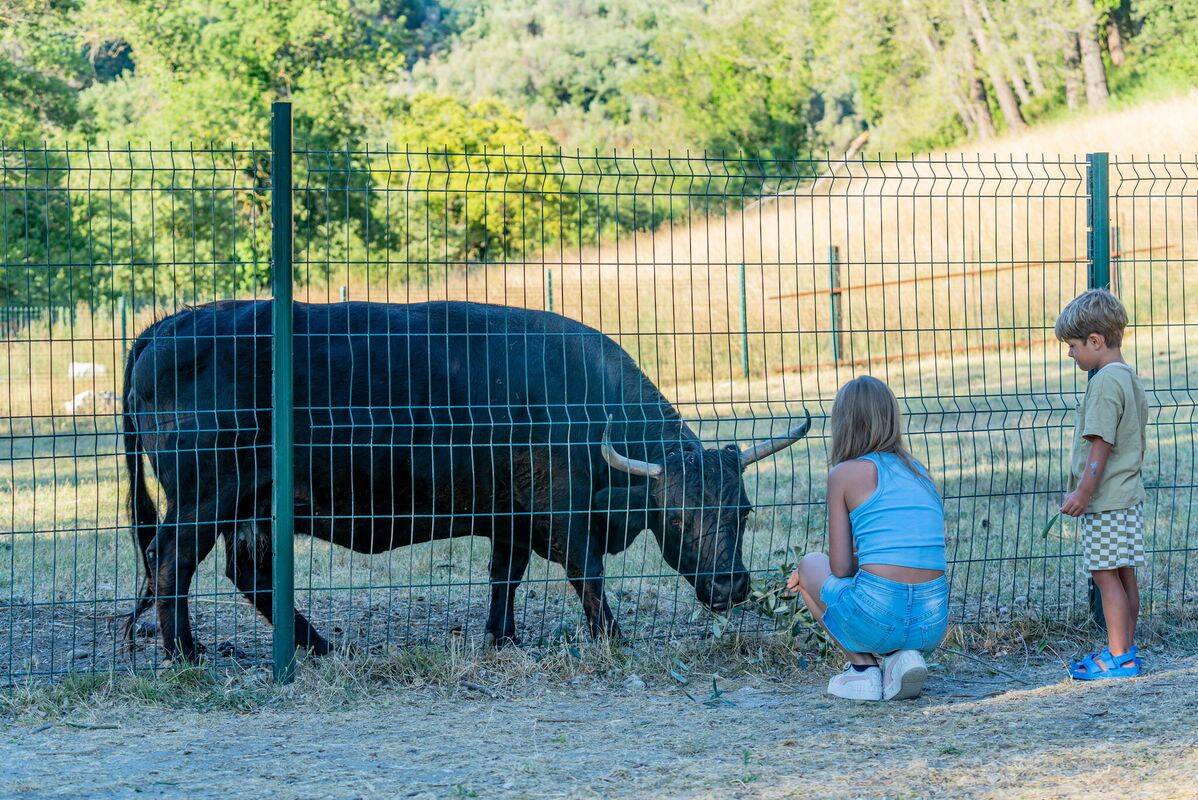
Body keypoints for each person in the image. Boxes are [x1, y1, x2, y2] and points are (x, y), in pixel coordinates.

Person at [786, 376, 949, 701]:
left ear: (843, 424)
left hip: (879, 614)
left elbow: (842, 568)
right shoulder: (920, 472)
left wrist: (811, 578)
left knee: (809, 567)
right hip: (931, 624)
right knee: (882, 587)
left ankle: (863, 670)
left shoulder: (843, 474)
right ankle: (899, 659)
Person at [1056, 289, 1149, 680]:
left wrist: (1082, 492)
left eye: (1074, 346)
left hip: (1107, 501)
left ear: (1095, 341)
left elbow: (1101, 444)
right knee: (1124, 572)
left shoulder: (1104, 383)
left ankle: (1118, 657)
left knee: (1104, 574)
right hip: (1128, 497)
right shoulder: (1129, 376)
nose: (1071, 354)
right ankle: (1125, 647)